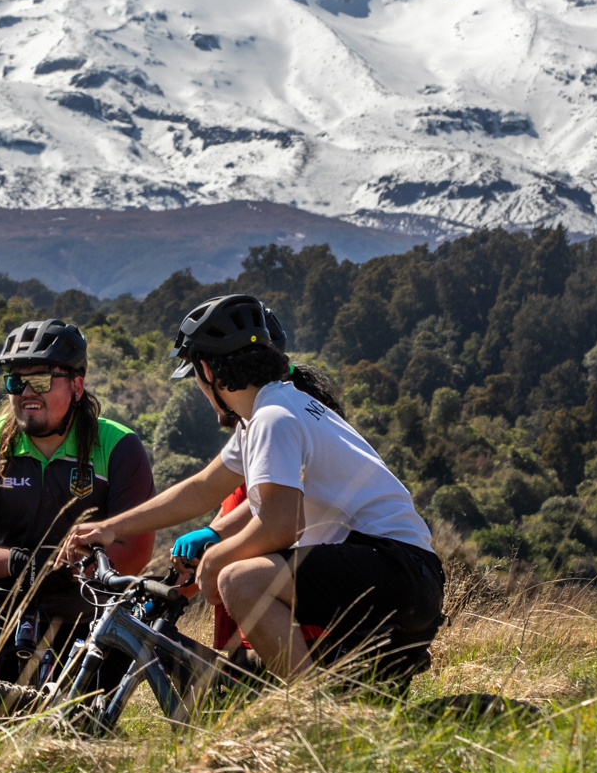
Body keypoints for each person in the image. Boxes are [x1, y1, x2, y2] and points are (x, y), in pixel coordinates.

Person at [66, 294, 443, 686]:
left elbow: (280, 524)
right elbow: (202, 489)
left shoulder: (272, 418)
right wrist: (112, 528)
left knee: (239, 580)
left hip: (393, 568)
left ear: (208, 369)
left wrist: (215, 559)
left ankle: (309, 713)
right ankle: (323, 711)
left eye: (193, 374)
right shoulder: (272, 411)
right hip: (405, 574)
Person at [0, 319, 155, 687]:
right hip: (2, 605)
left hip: (90, 616)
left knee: (80, 733)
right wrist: (21, 562)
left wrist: (67, 568)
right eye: (16, 382)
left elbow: (135, 548)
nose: (26, 392)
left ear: (77, 386)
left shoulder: (118, 445)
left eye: (40, 381)